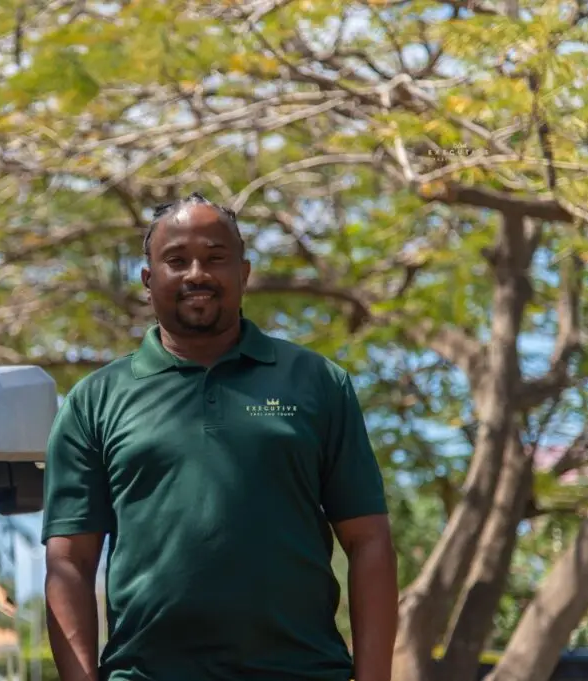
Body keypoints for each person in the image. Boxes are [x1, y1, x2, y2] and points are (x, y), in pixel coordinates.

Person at [42, 191, 398, 681]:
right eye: (176, 260)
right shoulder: (94, 401)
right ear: (148, 281)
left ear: (244, 274)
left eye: (215, 258)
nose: (196, 274)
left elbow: (369, 540)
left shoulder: (317, 383)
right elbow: (70, 562)